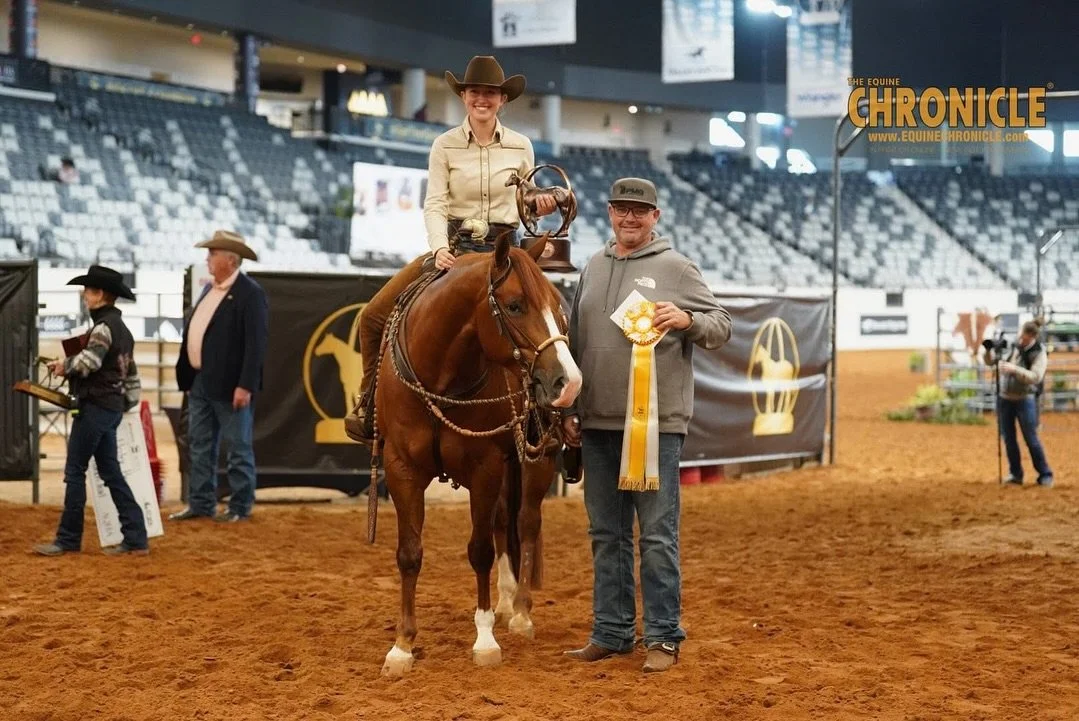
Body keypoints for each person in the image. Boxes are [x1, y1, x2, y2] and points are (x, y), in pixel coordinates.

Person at [562, 178, 732, 673]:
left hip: (656, 426)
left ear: (655, 216)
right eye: (621, 209)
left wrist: (686, 318)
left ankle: (662, 636)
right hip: (595, 423)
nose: (629, 218)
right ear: (610, 212)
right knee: (605, 534)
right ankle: (611, 632)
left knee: (657, 535)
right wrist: (570, 411)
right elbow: (574, 343)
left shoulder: (677, 267)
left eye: (640, 211)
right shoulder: (593, 266)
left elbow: (721, 324)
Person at [344, 55, 557, 444]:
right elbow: (435, 203)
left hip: (504, 251)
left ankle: (551, 414)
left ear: (502, 100)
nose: (483, 99)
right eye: (475, 91)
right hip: (455, 249)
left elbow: (526, 202)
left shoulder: (521, 146)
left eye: (490, 93)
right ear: (464, 96)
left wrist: (539, 202)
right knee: (373, 317)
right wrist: (440, 248)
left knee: (551, 319)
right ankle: (371, 404)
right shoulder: (444, 145)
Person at [33, 266, 149, 557]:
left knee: (75, 470)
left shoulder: (103, 328)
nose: (85, 296)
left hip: (94, 407)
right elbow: (131, 376)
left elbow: (90, 363)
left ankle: (68, 539)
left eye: (88, 291)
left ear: (101, 294)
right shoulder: (124, 331)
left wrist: (64, 366)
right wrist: (123, 404)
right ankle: (136, 537)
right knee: (111, 473)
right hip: (109, 409)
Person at [170, 231, 269, 522]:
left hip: (230, 385)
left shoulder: (251, 294)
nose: (208, 258)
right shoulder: (210, 289)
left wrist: (245, 385)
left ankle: (239, 506)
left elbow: (256, 345)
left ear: (230, 259)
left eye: (212, 253)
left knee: (237, 447)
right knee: (199, 443)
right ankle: (200, 502)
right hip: (200, 381)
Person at [993, 318, 1053, 487]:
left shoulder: (1039, 352)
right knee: (1008, 439)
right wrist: (990, 352)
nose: (1022, 340)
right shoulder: (1013, 346)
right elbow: (994, 362)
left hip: (1025, 399)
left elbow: (1036, 377)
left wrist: (1014, 369)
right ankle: (1015, 474)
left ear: (1033, 337)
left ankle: (1045, 474)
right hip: (1005, 398)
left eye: (1025, 338)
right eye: (1021, 336)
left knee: (1031, 438)